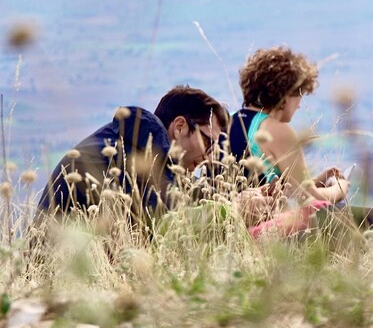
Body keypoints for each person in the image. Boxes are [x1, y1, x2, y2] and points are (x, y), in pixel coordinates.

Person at [38, 85, 229, 215]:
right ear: (180, 127)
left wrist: (228, 200)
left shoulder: (141, 144)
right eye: (207, 141)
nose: (209, 157)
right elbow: (169, 225)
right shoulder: (131, 156)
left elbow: (180, 191)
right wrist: (231, 212)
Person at [236, 46, 350, 204]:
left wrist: (317, 180)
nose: (299, 106)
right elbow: (309, 198)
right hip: (265, 225)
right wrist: (340, 188)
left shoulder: (230, 121)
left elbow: (283, 187)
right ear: (287, 95)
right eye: (300, 95)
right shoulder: (276, 130)